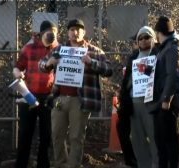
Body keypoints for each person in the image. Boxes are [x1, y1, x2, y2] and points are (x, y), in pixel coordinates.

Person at [39, 19, 113, 168]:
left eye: (79, 29)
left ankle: (73, 165)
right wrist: (48, 64)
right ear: (68, 32)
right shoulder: (59, 50)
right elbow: (41, 64)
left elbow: (109, 70)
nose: (75, 32)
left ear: (84, 32)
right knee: (57, 135)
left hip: (80, 101)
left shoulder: (94, 51)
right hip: (59, 98)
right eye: (72, 29)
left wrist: (91, 62)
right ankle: (60, 164)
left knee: (76, 137)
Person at [13, 20, 59, 168]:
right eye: (49, 33)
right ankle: (21, 164)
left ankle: (43, 165)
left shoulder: (58, 49)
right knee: (26, 134)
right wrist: (19, 74)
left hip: (49, 97)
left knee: (46, 136)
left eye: (54, 33)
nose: (51, 37)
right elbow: (16, 68)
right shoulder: (28, 48)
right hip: (29, 96)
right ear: (41, 34)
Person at [142, 16, 179, 168]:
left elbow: (173, 74)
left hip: (166, 103)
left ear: (158, 32)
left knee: (168, 141)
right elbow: (158, 73)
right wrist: (142, 70)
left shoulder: (172, 48)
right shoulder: (163, 49)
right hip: (159, 101)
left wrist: (167, 99)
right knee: (161, 141)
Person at [118, 25, 158, 168]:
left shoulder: (158, 54)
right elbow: (127, 80)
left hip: (151, 102)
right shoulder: (133, 56)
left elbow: (160, 75)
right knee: (137, 138)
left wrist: (145, 69)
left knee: (154, 137)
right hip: (134, 103)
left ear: (153, 38)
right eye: (139, 38)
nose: (143, 40)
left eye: (146, 37)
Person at [116, 33, 139, 168]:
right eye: (135, 42)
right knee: (122, 128)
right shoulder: (132, 57)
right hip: (129, 100)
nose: (134, 45)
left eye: (135, 42)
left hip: (144, 101)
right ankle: (131, 161)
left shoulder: (153, 55)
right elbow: (127, 81)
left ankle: (139, 160)